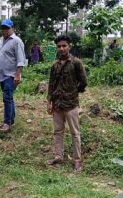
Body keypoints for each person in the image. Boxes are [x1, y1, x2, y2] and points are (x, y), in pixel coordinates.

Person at [46, 35, 87, 172]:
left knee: (75, 133)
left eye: (64, 46)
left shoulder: (76, 63)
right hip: (57, 104)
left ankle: (77, 160)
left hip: (71, 104)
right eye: (59, 46)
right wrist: (49, 102)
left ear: (69, 46)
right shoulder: (55, 65)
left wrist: (74, 92)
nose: (61, 48)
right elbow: (51, 84)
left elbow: (84, 82)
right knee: (58, 132)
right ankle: (58, 156)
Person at [0, 19, 26, 133]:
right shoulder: (1, 40)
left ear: (12, 28)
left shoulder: (16, 41)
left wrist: (18, 75)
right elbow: (0, 58)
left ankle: (7, 123)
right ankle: (11, 120)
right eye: (3, 28)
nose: (5, 30)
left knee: (7, 98)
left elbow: (21, 60)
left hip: (11, 75)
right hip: (2, 75)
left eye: (7, 28)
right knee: (9, 98)